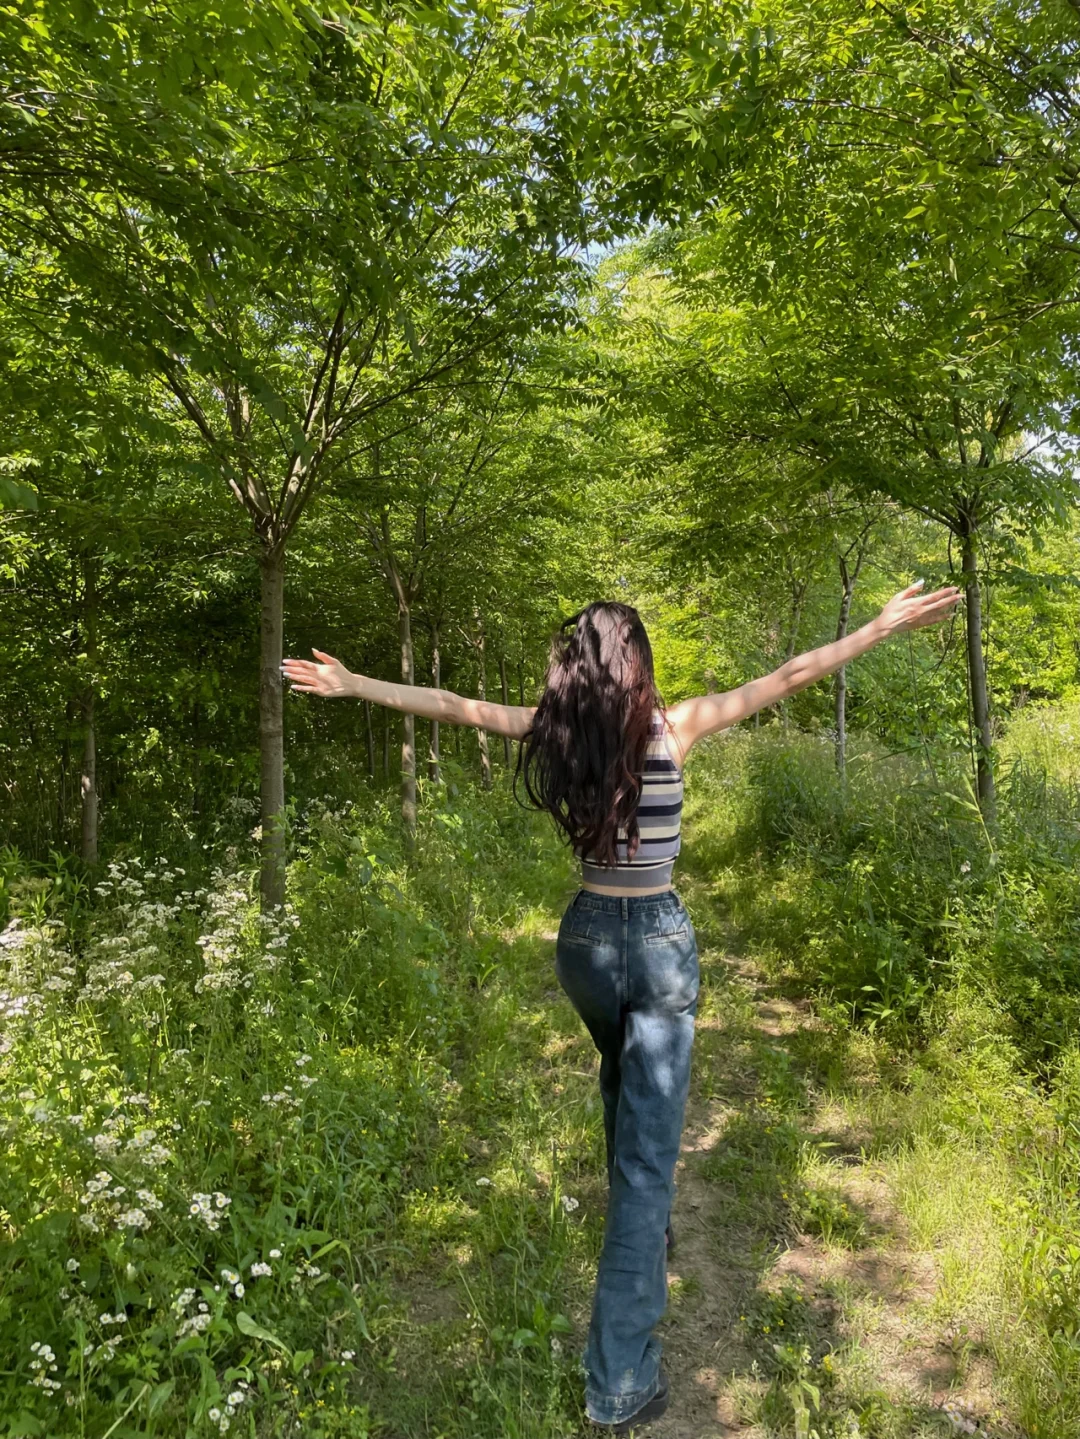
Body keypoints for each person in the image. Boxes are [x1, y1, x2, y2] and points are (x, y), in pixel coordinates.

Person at [282, 578, 959, 1433]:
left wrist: (359, 685)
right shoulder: (681, 727)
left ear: (578, 670)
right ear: (637, 665)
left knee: (623, 1078)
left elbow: (449, 706)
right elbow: (793, 673)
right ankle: (618, 1381)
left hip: (587, 945)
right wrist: (879, 626)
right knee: (647, 1161)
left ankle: (650, 1234)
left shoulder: (555, 732)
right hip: (661, 945)